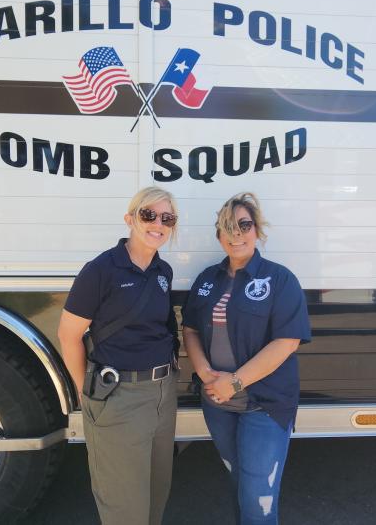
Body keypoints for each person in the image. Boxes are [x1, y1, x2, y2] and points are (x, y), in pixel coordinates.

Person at [181, 192, 311, 524]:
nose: (236, 233)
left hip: (263, 404)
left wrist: (235, 382)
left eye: (244, 224)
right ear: (219, 236)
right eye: (228, 227)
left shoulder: (280, 279)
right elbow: (192, 329)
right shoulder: (207, 279)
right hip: (218, 404)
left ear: (257, 230)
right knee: (241, 485)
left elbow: (287, 342)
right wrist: (204, 371)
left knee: (258, 500)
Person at [57, 187, 180, 525]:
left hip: (162, 396)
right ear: (130, 219)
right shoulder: (100, 270)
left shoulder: (163, 272)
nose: (158, 223)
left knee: (157, 497)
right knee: (126, 510)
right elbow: (68, 336)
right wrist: (89, 396)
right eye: (148, 215)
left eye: (167, 218)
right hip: (119, 398)